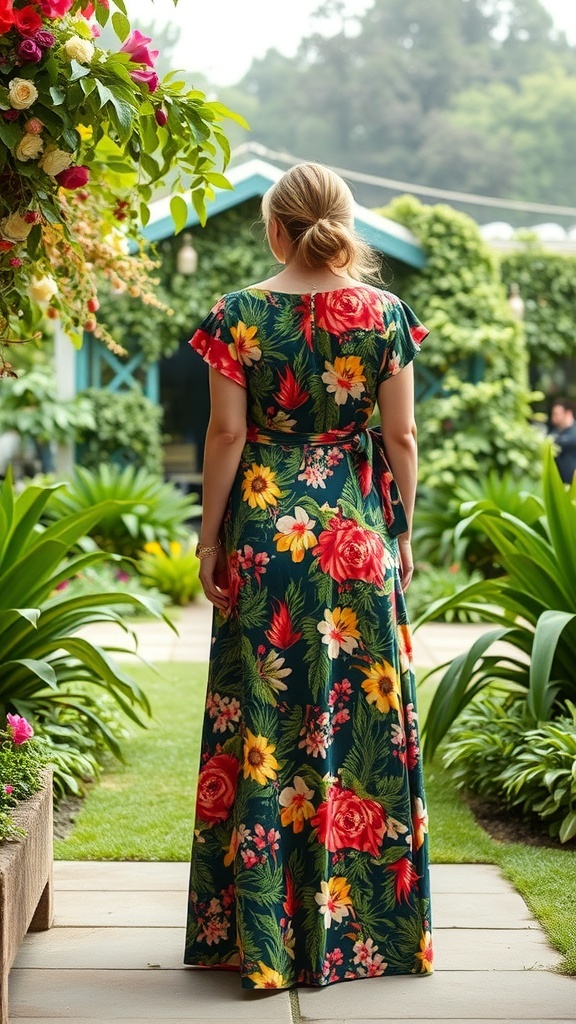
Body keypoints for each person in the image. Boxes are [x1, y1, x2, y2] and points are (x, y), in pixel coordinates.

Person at [184, 162, 433, 989]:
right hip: (356, 542)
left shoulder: (238, 314)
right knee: (358, 720)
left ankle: (255, 935)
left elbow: (225, 438)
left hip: (265, 532)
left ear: (275, 228)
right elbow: (399, 442)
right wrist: (400, 530)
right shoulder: (388, 315)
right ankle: (368, 938)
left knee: (262, 716)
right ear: (344, 225)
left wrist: (210, 539)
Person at [548, 398, 576, 484]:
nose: (554, 417)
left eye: (557, 414)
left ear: (568, 413)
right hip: (558, 482)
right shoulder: (556, 431)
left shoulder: (573, 431)